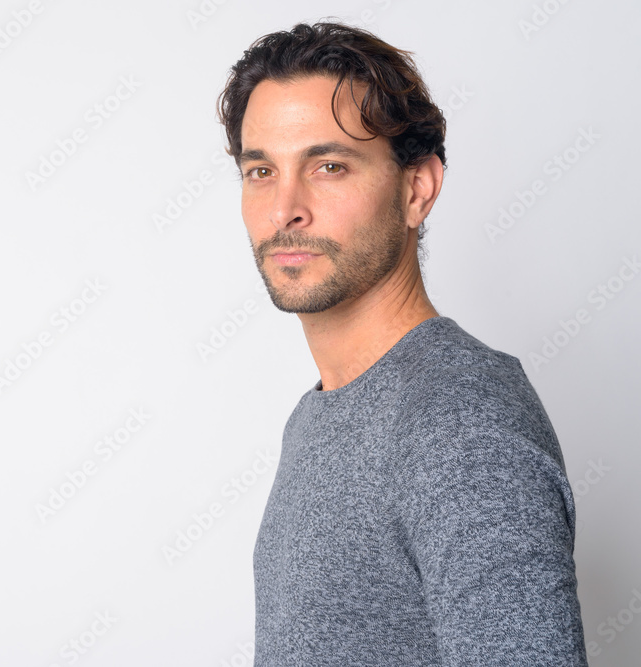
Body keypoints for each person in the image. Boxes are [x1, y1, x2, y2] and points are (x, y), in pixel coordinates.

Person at [216, 21, 588, 665]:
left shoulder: (461, 424)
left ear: (417, 189)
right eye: (260, 171)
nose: (285, 209)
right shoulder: (318, 414)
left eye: (329, 166)